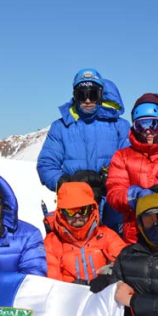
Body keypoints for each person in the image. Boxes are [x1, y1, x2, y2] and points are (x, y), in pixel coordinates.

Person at [37, 68, 129, 232]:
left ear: (100, 95)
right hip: (74, 212)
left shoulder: (120, 126)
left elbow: (129, 161)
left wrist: (109, 179)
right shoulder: (61, 127)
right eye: (82, 94)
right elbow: (46, 164)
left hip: (112, 209)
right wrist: (64, 184)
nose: (87, 100)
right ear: (75, 96)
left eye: (92, 94)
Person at [106, 93, 158, 244]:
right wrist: (134, 196)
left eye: (154, 124)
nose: (148, 131)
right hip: (135, 234)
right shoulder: (123, 156)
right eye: (141, 125)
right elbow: (114, 193)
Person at [44, 182, 126, 283]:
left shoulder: (107, 236)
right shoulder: (51, 243)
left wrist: (109, 278)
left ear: (91, 209)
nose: (77, 215)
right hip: (68, 296)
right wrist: (71, 288)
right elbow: (51, 280)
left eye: (83, 210)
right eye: (71, 211)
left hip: (103, 294)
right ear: (61, 213)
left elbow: (125, 265)